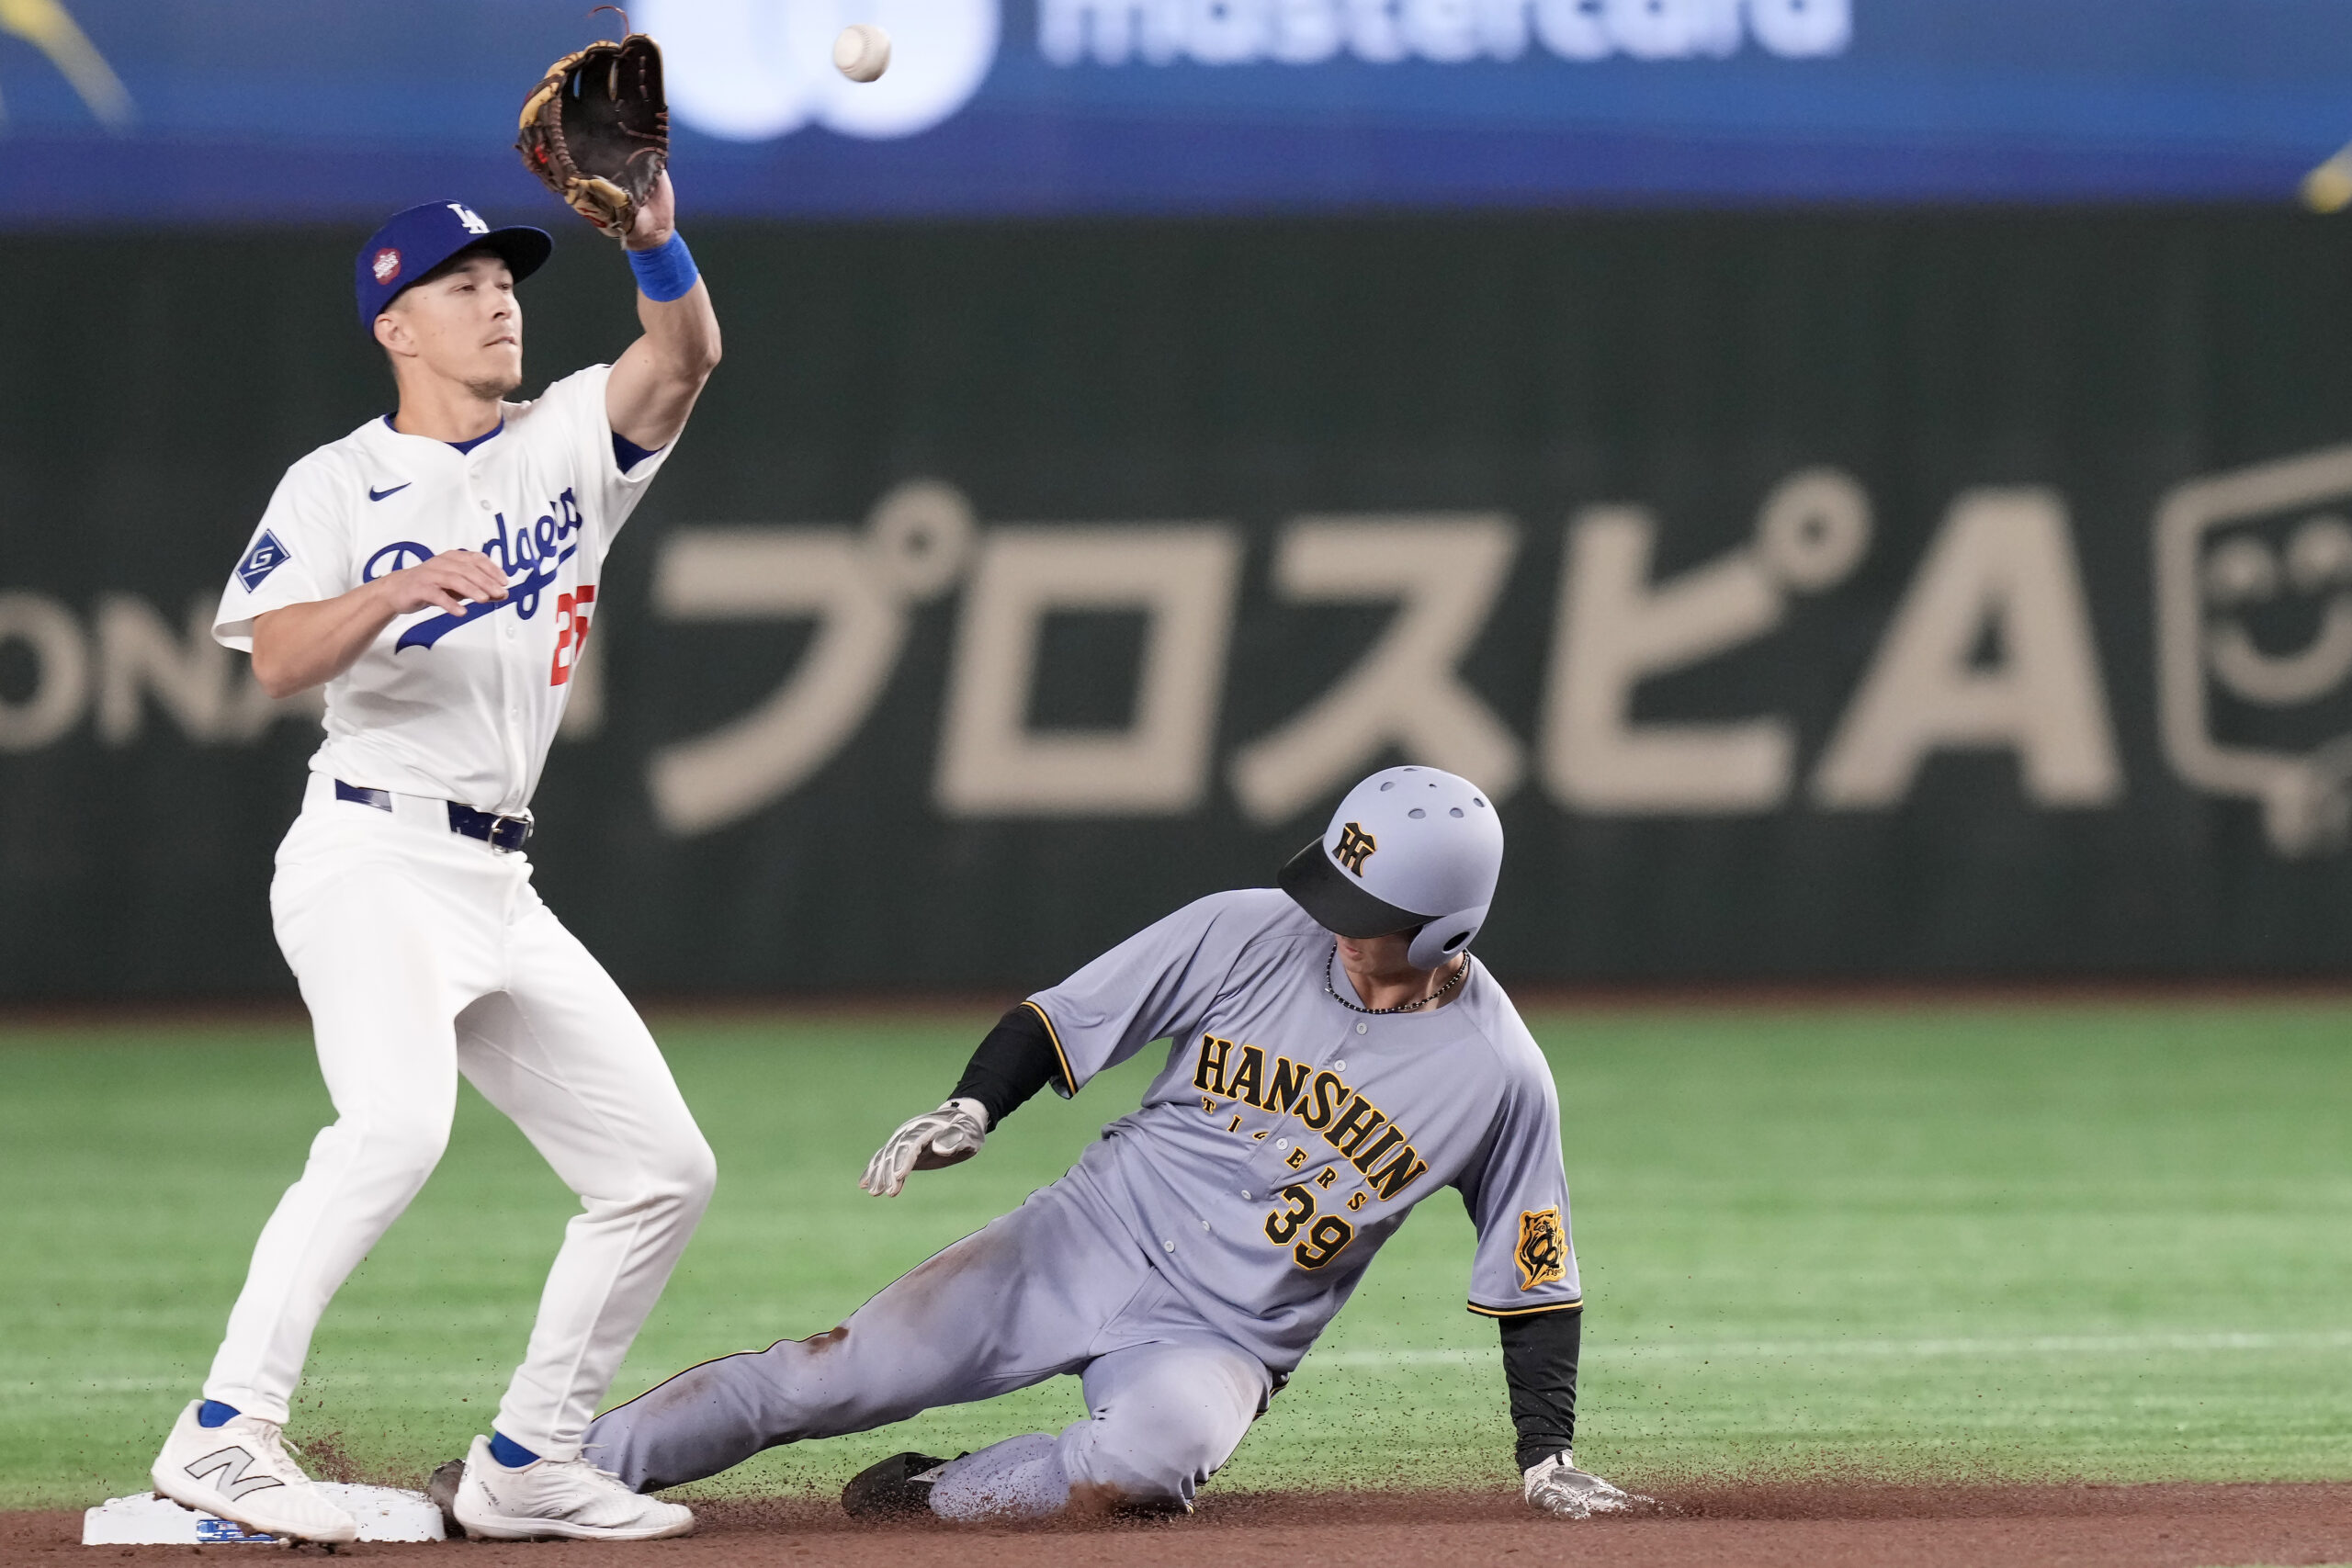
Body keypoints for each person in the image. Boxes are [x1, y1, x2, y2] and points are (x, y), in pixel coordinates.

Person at [579, 765, 1638, 1523]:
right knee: (824, 1379)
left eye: (1366, 911)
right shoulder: (1244, 928)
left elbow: (1535, 1274)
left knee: (1140, 1473)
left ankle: (938, 1494)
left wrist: (1546, 1455)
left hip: (1223, 1337)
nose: (1333, 921)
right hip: (1082, 1236)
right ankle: (562, 1467)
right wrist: (976, 1106)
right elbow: (1064, 1015)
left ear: (1446, 931)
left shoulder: (1498, 1076)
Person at [150, 181, 722, 1544]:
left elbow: (687, 355)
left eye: (507, 277)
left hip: (499, 878)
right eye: (463, 284)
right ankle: (225, 1429)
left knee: (661, 1169)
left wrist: (652, 237)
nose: (499, 297)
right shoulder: (339, 481)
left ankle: (530, 1454)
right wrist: (392, 586)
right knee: (396, 1125)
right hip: (369, 848)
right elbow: (276, 655)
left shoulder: (569, 439)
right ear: (396, 322)